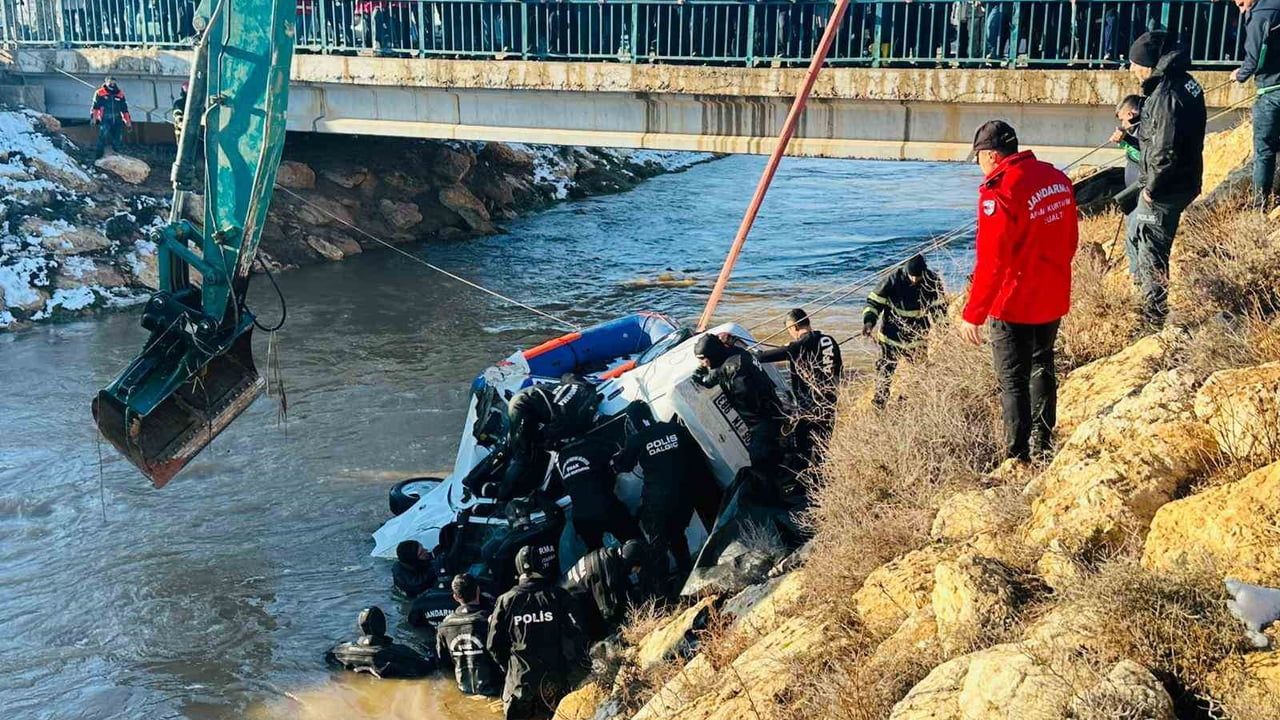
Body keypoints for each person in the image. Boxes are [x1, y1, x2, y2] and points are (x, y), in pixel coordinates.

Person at [960, 120, 1079, 462]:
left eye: (980, 158)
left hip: (1013, 302)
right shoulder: (1056, 178)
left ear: (992, 156)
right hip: (1052, 292)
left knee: (1013, 381)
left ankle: (1017, 455)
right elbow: (1070, 238)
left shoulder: (999, 191)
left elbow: (992, 261)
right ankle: (1044, 443)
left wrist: (973, 314)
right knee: (1043, 365)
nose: (979, 166)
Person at [1126, 31, 1206, 329]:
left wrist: (1150, 189)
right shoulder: (1185, 82)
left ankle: (1152, 318)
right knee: (1135, 233)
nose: (1132, 70)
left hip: (1165, 189)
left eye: (1135, 63)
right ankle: (1146, 304)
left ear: (1149, 63)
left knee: (1151, 249)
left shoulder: (1165, 95)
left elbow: (1165, 149)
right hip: (1183, 180)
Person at [612, 402, 719, 576]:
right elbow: (694, 450)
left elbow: (623, 466)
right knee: (676, 533)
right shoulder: (674, 429)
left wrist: (620, 455)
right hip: (687, 496)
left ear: (633, 421)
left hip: (658, 501)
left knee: (658, 547)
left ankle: (665, 593)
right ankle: (691, 573)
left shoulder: (637, 439)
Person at [488, 545, 582, 720]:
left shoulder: (505, 601)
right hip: (552, 680)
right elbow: (576, 632)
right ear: (542, 567)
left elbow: (493, 645)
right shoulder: (558, 595)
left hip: (518, 683)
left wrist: (509, 670)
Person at [754, 308, 844, 457]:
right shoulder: (829, 340)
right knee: (822, 447)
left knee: (803, 449)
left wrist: (751, 354)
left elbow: (763, 357)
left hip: (810, 407)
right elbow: (838, 370)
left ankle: (807, 477)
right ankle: (821, 476)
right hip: (830, 402)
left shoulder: (799, 346)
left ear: (793, 327)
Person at [861, 255, 946, 408]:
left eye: (918, 276)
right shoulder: (892, 280)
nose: (915, 280)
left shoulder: (932, 281)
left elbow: (939, 309)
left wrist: (943, 330)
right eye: (912, 276)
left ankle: (909, 402)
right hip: (891, 337)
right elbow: (874, 303)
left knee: (919, 373)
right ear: (906, 272)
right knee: (884, 373)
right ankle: (879, 404)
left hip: (917, 338)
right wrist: (869, 322)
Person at [692, 334, 785, 470]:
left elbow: (717, 379)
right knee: (772, 450)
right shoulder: (737, 352)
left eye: (704, 360)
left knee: (760, 460)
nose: (703, 364)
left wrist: (702, 378)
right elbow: (716, 374)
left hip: (762, 419)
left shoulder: (732, 369)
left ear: (711, 356)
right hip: (773, 406)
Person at [501, 376, 600, 500]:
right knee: (523, 457)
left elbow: (567, 376)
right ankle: (503, 498)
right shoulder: (569, 420)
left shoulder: (585, 387)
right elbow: (549, 437)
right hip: (522, 406)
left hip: (530, 394)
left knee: (529, 443)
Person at [552, 433, 640, 551]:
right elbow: (621, 465)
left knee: (596, 557)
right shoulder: (598, 445)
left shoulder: (561, 457)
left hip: (581, 518)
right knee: (636, 543)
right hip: (606, 507)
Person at [1231, 0, 1280, 209]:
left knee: (1264, 152)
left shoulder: (1260, 15)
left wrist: (1239, 75)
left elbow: (1254, 60)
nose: (1242, 11)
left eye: (1242, 4)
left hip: (1270, 90)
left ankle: (1260, 205)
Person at [561, 539, 649, 638]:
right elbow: (608, 611)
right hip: (568, 604)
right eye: (637, 567)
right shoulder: (606, 572)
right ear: (630, 562)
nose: (637, 571)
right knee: (602, 633)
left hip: (574, 595)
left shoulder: (609, 555)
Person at [436, 573, 503, 697]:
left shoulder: (443, 627)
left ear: (455, 597)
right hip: (494, 690)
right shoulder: (490, 621)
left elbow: (444, 664)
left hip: (464, 690)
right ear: (478, 590)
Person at [324, 606, 436, 678]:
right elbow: (428, 668)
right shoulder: (399, 652)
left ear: (360, 628)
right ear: (383, 627)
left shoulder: (339, 651)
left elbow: (327, 660)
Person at [90, 77, 132, 160]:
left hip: (117, 119)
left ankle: (116, 156)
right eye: (110, 82)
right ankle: (98, 157)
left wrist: (128, 122)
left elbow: (124, 109)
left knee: (117, 139)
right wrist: (93, 119)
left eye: (114, 83)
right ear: (106, 82)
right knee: (102, 137)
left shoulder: (120, 94)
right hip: (105, 118)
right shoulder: (100, 93)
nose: (112, 84)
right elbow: (95, 107)